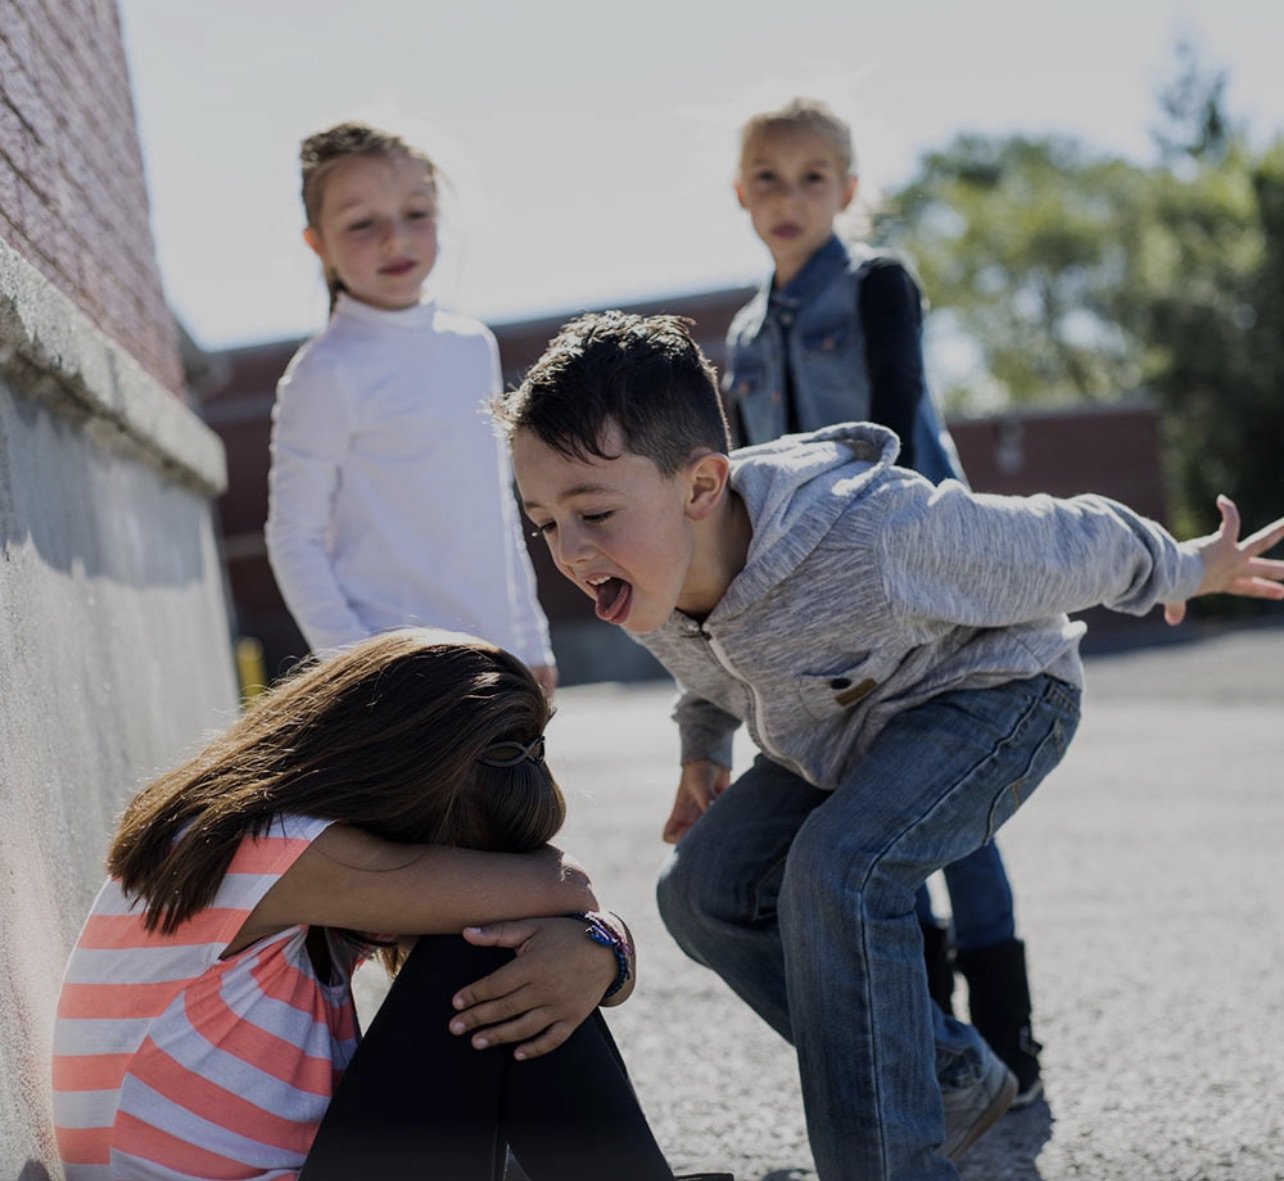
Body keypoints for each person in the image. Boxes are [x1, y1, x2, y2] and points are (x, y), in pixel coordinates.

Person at [494, 310, 1284, 1181]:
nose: (568, 549)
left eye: (592, 511)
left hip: (996, 696)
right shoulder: (643, 564)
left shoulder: (871, 535)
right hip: (846, 731)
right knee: (702, 891)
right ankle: (943, 1072)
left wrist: (1184, 566)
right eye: (543, 522)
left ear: (700, 486)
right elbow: (709, 666)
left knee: (840, 867)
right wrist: (702, 749)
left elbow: (1063, 539)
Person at [51, 628, 733, 1181]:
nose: (453, 880)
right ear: (395, 788)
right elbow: (567, 889)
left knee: (511, 965)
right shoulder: (266, 846)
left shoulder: (277, 864)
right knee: (482, 950)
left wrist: (600, 950)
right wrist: (594, 935)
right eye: (455, 857)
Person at [722, 97, 1038, 1102]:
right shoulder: (740, 333)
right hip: (818, 611)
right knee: (871, 813)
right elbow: (746, 478)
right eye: (768, 177)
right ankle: (940, 1050)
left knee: (958, 818)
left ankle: (1010, 1043)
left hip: (923, 583)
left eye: (814, 176)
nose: (790, 196)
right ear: (740, 193)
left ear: (849, 191)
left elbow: (896, 422)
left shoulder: (877, 285)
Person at [266, 122, 556, 695]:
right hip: (399, 680)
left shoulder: (473, 345)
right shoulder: (326, 372)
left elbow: (497, 507)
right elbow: (292, 536)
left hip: (499, 662)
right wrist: (358, 666)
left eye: (415, 213)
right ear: (317, 243)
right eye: (361, 223)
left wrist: (532, 639)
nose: (395, 239)